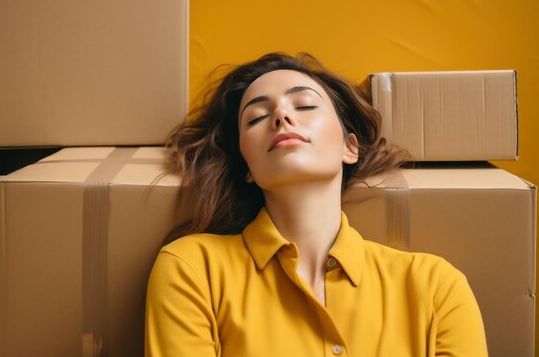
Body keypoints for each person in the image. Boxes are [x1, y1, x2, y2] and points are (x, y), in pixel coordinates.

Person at [145, 52, 488, 357]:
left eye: (305, 105)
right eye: (256, 117)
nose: (280, 115)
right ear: (246, 167)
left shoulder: (435, 287)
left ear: (349, 148)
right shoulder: (191, 269)